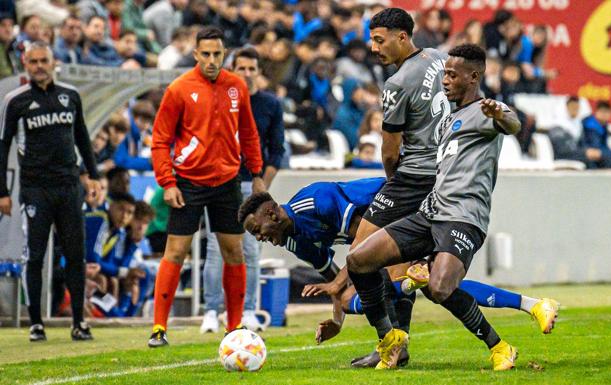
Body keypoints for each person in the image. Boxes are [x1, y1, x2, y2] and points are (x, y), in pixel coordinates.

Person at [239, 179, 558, 367]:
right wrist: (337, 319)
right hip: (382, 237)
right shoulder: (296, 241)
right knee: (396, 289)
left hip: (409, 208)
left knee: (432, 284)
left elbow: (362, 242)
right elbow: (338, 280)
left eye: (257, 229)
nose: (260, 237)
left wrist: (343, 282)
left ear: (271, 212)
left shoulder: (315, 201)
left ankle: (524, 315)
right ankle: (399, 347)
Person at [346, 44, 522, 370]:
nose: (445, 80)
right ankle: (390, 339)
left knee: (440, 287)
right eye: (444, 73)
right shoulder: (447, 120)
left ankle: (499, 347)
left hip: (463, 217)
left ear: (473, 77)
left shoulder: (487, 111)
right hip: (429, 213)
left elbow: (512, 124)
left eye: (453, 75)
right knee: (359, 259)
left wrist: (501, 115)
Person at [318, 7, 449, 367]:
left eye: (379, 39)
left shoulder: (397, 83)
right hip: (443, 174)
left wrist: (393, 186)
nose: (374, 47)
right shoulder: (440, 60)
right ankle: (400, 345)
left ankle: (387, 342)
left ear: (402, 37)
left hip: (411, 178)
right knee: (399, 266)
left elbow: (390, 150)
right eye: (371, 40)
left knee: (360, 257)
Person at [148, 26, 264, 347]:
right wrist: (167, 182)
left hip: (227, 180)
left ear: (224, 54)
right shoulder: (179, 89)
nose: (212, 60)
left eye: (217, 54)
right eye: (206, 54)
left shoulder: (236, 86)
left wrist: (256, 173)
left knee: (233, 251)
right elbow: (160, 140)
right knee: (176, 251)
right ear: (196, 54)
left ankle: (235, 327)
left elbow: (249, 134)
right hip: (188, 182)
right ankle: (159, 328)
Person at [0, 41, 101, 341]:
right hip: (35, 189)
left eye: (44, 60)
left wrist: (93, 176)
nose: (40, 66)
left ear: (53, 61)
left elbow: (82, 136)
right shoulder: (15, 100)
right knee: (35, 255)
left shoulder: (70, 96)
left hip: (69, 187)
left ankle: (79, 322)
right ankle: (35, 323)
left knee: (75, 254)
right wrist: (3, 191)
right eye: (33, 62)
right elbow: (3, 146)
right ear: (25, 64)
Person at [201, 47, 284, 334]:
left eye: (252, 69)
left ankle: (248, 310)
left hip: (251, 183)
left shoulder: (270, 105)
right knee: (215, 248)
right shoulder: (218, 100)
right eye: (242, 69)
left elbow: (277, 150)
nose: (247, 74)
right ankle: (212, 311)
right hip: (220, 182)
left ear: (259, 73)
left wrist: (263, 184)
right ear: (232, 70)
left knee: (250, 248)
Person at [581, 101, 611, 169]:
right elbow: (596, 149)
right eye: (602, 112)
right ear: (596, 112)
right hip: (586, 154)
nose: (604, 114)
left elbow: (604, 146)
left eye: (607, 112)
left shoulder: (604, 126)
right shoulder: (591, 125)